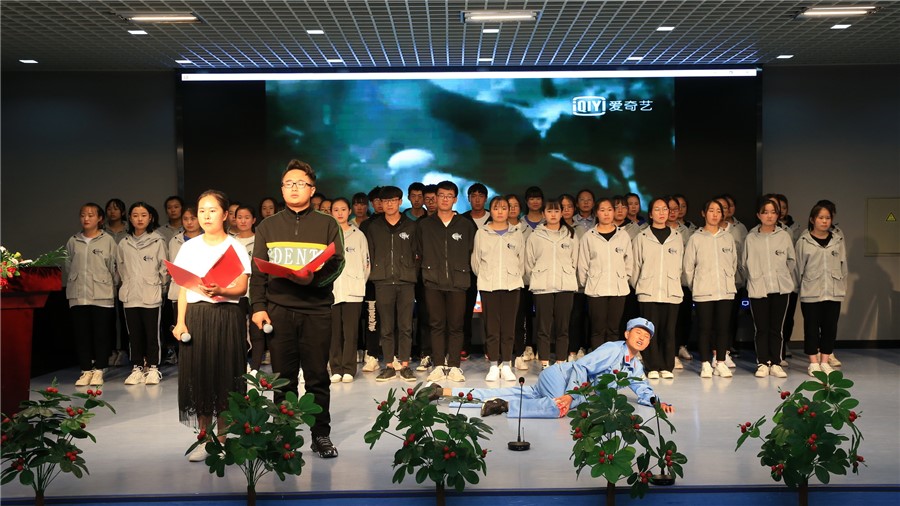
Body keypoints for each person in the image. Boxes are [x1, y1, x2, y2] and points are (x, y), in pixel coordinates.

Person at [249, 159, 345, 458]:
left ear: (312, 189)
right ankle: (285, 433)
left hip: (317, 310)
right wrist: (258, 306)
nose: (294, 188)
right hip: (279, 310)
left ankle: (320, 435)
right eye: (288, 183)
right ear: (281, 189)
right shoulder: (267, 226)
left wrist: (311, 279)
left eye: (300, 183)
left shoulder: (327, 224)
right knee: (283, 378)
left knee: (317, 377)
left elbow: (337, 263)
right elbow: (258, 272)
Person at [432, 318, 674, 418]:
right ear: (627, 334)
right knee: (559, 406)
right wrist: (571, 396)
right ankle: (505, 407)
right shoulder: (613, 349)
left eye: (646, 336)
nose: (642, 338)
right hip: (563, 378)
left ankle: (443, 392)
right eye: (638, 333)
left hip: (560, 383)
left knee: (516, 392)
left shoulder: (635, 366)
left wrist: (657, 403)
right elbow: (581, 368)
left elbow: (643, 388)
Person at [171, 190, 252, 462]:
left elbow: (242, 287)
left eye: (212, 210)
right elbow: (183, 288)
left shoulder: (235, 247)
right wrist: (180, 322)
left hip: (227, 315)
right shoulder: (189, 247)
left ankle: (223, 438)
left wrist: (222, 290)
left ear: (225, 214)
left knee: (226, 377)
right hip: (197, 316)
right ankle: (205, 439)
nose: (206, 216)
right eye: (201, 210)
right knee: (199, 377)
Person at [417, 180, 476, 383]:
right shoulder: (425, 225)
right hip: (432, 281)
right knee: (436, 324)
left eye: (449, 196)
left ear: (455, 199)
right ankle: (438, 365)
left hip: (458, 281)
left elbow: (472, 251)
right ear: (435, 198)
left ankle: (454, 366)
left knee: (456, 325)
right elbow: (418, 251)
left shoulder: (465, 225)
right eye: (441, 195)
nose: (444, 199)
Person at [366, 186, 419, 382]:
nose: (389, 204)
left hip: (406, 282)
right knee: (386, 326)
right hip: (383, 281)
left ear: (400, 201)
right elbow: (369, 254)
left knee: (405, 326)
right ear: (380, 203)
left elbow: (418, 254)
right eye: (385, 201)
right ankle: (389, 365)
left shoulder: (411, 226)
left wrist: (410, 272)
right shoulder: (374, 227)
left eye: (393, 200)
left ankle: (405, 365)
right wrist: (376, 273)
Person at [472, 196, 525, 381]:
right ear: (491, 211)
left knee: (509, 328)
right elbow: (476, 262)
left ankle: (507, 365)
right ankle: (494, 365)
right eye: (496, 208)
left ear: (509, 210)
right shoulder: (482, 233)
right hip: (489, 285)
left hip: (512, 285)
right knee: (492, 327)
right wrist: (487, 276)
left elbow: (522, 261)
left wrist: (513, 275)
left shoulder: (517, 233)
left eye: (504, 208)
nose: (500, 211)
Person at [742, 197, 796, 378]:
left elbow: (791, 261)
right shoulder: (751, 238)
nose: (769, 216)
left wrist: (781, 275)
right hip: (759, 287)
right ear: (758, 215)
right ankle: (763, 362)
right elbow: (744, 264)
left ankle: (776, 362)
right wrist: (756, 277)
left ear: (778, 215)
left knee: (777, 328)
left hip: (780, 288)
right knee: (761, 328)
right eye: (765, 212)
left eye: (773, 212)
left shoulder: (784, 236)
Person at [683, 199, 737, 378]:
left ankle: (720, 362)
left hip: (725, 290)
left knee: (723, 328)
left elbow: (733, 264)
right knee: (705, 328)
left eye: (718, 211)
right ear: (703, 213)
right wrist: (697, 285)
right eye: (711, 210)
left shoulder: (727, 237)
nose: (715, 214)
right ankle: (705, 363)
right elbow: (688, 268)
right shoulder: (696, 238)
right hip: (703, 290)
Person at [631, 197, 684, 380]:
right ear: (651, 214)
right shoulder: (642, 237)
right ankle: (652, 366)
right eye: (657, 209)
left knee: (668, 331)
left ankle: (667, 366)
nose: (662, 213)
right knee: (649, 331)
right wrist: (642, 284)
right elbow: (635, 266)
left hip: (671, 291)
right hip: (648, 290)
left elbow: (680, 266)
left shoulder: (677, 237)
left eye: (665, 209)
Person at [66, 203, 118, 387]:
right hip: (78, 293)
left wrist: (111, 286)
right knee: (82, 334)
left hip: (102, 293)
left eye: (90, 215)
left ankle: (99, 369)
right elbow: (68, 265)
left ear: (100, 218)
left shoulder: (108, 240)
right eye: (83, 215)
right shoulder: (73, 241)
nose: (86, 218)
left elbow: (114, 267)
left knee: (101, 333)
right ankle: (85, 369)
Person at [117, 201, 168, 385]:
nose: (139, 219)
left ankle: (153, 367)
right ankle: (137, 367)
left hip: (151, 293)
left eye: (144, 215)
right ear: (130, 218)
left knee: (152, 334)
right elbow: (121, 268)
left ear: (150, 218)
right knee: (134, 334)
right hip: (130, 294)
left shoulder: (158, 240)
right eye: (135, 215)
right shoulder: (124, 243)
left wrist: (160, 287)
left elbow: (164, 269)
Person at [795, 201, 847, 377]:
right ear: (812, 219)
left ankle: (825, 361)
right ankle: (813, 363)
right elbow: (798, 268)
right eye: (820, 218)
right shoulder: (804, 241)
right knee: (811, 328)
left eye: (828, 218)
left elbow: (843, 266)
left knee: (830, 328)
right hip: (811, 291)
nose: (824, 221)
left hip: (833, 291)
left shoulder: (837, 240)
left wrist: (842, 288)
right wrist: (799, 289)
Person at [526, 199, 579, 369]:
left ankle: (561, 362)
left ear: (562, 213)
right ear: (543, 214)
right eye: (549, 211)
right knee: (543, 327)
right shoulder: (535, 236)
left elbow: (575, 261)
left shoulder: (570, 235)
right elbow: (529, 262)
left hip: (565, 286)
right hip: (542, 286)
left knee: (563, 327)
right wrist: (538, 276)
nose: (553, 215)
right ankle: (544, 363)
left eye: (557, 211)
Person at [577, 197, 632, 350]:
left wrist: (622, 279)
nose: (606, 213)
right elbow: (583, 264)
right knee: (597, 329)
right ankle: (598, 360)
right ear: (596, 213)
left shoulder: (623, 235)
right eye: (602, 210)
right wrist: (589, 283)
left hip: (618, 289)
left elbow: (629, 263)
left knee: (614, 329)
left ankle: (612, 361)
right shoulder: (589, 236)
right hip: (596, 289)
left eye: (609, 210)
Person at [329, 198, 369, 383]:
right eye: (336, 209)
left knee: (350, 333)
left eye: (343, 209)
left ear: (349, 211)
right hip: (331, 291)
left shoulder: (358, 235)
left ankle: (349, 369)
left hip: (353, 291)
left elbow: (366, 264)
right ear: (331, 212)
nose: (339, 213)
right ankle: (336, 368)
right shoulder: (327, 235)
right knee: (334, 333)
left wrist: (358, 282)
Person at [165, 206, 202, 366]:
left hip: (200, 290)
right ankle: (184, 361)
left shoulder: (206, 239)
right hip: (179, 290)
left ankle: (199, 360)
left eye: (193, 218)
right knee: (180, 326)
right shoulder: (175, 240)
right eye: (186, 219)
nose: (189, 222)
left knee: (198, 329)